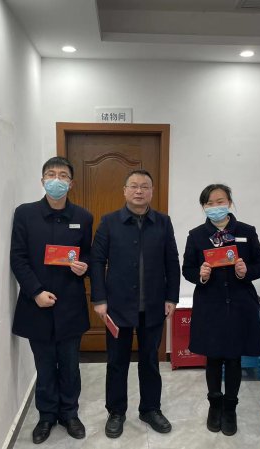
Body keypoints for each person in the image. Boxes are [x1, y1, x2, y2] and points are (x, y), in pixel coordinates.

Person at [90, 169, 181, 439]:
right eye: (133, 186)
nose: (139, 191)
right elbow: (97, 261)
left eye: (144, 186)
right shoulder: (109, 222)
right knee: (117, 361)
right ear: (124, 191)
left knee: (150, 360)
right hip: (117, 306)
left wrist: (171, 297)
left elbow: (172, 262)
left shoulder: (163, 222)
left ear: (152, 191)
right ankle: (116, 412)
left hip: (153, 305)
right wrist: (99, 299)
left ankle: (150, 409)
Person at [10, 156, 93, 444]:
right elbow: (18, 257)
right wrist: (35, 292)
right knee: (44, 365)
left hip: (70, 304)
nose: (57, 180)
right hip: (37, 304)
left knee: (70, 365)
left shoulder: (83, 217)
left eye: (63, 175)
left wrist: (84, 266)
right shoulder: (25, 214)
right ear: (42, 180)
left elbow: (87, 255)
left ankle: (70, 414)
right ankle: (46, 416)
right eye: (51, 174)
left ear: (72, 183)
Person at [182, 184, 260, 436]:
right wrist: (200, 274)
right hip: (210, 304)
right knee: (213, 356)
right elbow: (187, 270)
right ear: (203, 207)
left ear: (229, 202)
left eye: (220, 201)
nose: (215, 207)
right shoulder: (196, 235)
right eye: (209, 203)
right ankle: (214, 405)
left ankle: (230, 408)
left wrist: (246, 271)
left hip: (240, 304)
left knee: (233, 358)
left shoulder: (246, 232)